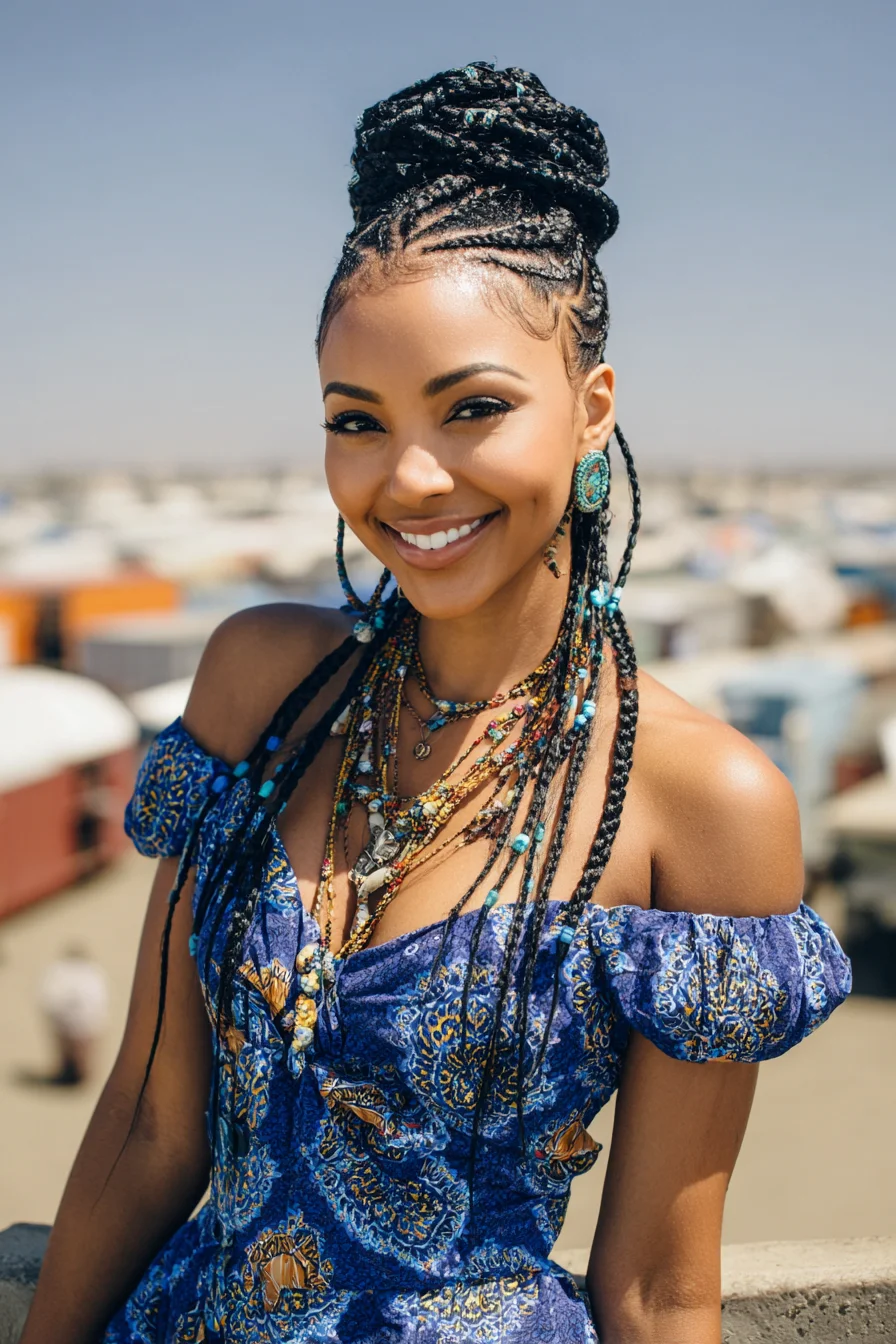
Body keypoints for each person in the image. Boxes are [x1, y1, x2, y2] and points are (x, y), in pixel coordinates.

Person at [21, 63, 851, 1344]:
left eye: (472, 409)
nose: (408, 478)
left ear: (590, 410)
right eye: (357, 420)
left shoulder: (707, 802)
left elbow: (653, 1287)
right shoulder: (262, 682)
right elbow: (146, 1121)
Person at [37, 945, 109, 1085]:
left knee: (72, 1049)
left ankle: (76, 1073)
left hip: (71, 1017)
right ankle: (75, 1073)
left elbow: (48, 995)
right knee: (80, 1050)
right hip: (81, 1017)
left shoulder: (59, 970)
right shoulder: (91, 971)